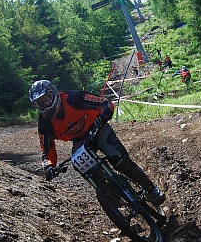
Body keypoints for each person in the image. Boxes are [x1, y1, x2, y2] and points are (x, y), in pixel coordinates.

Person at [29, 80, 165, 205]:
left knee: (119, 160)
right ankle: (111, 194)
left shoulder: (73, 98)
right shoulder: (45, 122)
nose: (44, 104)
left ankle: (150, 189)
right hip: (80, 140)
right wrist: (49, 166)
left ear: (53, 94)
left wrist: (104, 115)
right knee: (81, 165)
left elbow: (104, 103)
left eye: (46, 99)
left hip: (98, 128)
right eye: (40, 103)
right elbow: (47, 149)